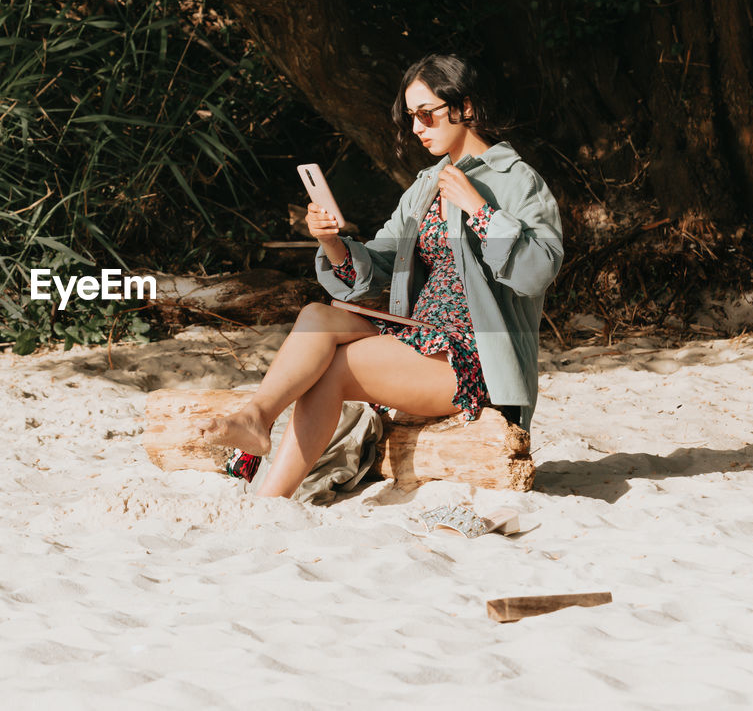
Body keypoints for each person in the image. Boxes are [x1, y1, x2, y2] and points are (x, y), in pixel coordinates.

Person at [200, 53, 563, 499]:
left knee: (334, 369)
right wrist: (332, 242)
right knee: (317, 316)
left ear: (465, 108)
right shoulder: (426, 185)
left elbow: (539, 272)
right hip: (417, 333)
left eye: (426, 113)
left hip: (473, 358)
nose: (416, 127)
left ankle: (269, 499)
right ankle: (257, 417)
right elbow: (381, 265)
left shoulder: (518, 181)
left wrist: (481, 212)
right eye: (411, 117)